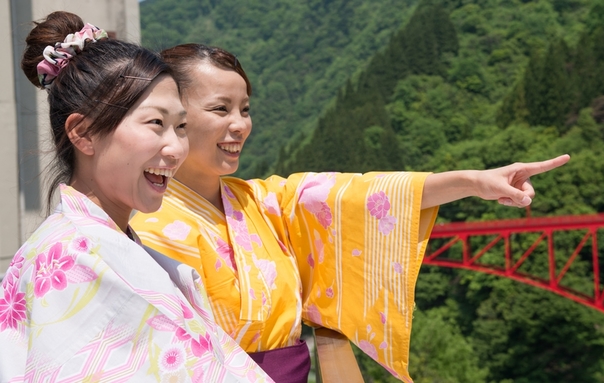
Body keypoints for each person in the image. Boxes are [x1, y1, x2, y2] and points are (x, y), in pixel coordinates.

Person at [130, 43, 570, 383]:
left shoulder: (262, 202)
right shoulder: (140, 227)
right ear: (175, 117)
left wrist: (474, 183)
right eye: (220, 109)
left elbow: (355, 196)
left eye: (245, 109)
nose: (240, 124)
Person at [0, 13, 272, 382]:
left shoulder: (98, 244)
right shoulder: (70, 258)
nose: (176, 149)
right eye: (155, 124)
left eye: (181, 127)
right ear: (83, 133)